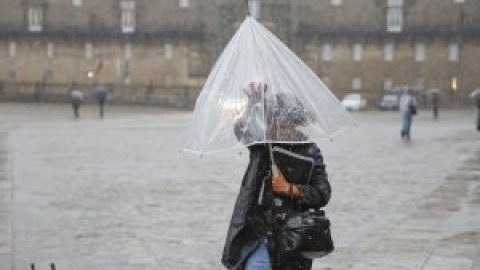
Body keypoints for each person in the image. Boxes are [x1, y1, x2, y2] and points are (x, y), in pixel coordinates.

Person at [222, 83, 331, 270]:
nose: (279, 126)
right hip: (259, 236)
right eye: (274, 120)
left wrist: (292, 189)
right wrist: (251, 104)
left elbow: (323, 192)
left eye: (285, 121)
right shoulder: (262, 145)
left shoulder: (310, 151)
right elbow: (241, 130)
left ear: (295, 122)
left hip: (294, 239)